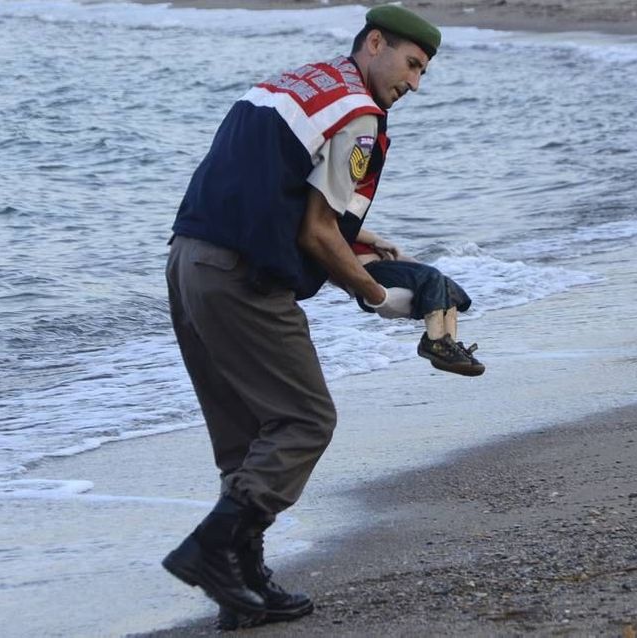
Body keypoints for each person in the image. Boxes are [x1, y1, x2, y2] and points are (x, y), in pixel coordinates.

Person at [161, 5, 454, 629]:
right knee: (304, 419)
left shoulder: (300, 82)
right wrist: (377, 297)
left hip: (188, 262)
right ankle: (211, 551)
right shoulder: (362, 115)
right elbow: (319, 235)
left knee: (244, 438)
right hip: (242, 278)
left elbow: (276, 185)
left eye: (423, 72)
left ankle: (241, 592)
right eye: (411, 64)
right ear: (375, 43)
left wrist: (361, 235)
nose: (414, 83)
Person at [351, 240, 485, 377]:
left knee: (445, 284)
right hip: (368, 271)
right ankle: (434, 344)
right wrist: (375, 239)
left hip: (385, 266)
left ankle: (449, 346)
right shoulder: (345, 226)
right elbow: (346, 227)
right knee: (432, 276)